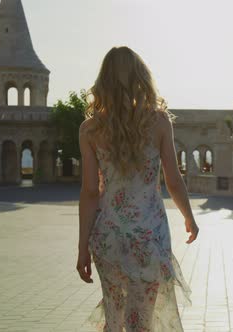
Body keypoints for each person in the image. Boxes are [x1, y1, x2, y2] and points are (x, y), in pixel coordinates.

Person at [76, 46, 199, 331]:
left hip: (108, 234)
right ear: (140, 78)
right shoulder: (158, 122)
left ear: (103, 80)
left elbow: (90, 192)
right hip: (149, 234)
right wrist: (188, 217)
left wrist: (83, 246)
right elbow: (173, 179)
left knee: (115, 315)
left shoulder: (89, 129)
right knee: (141, 319)